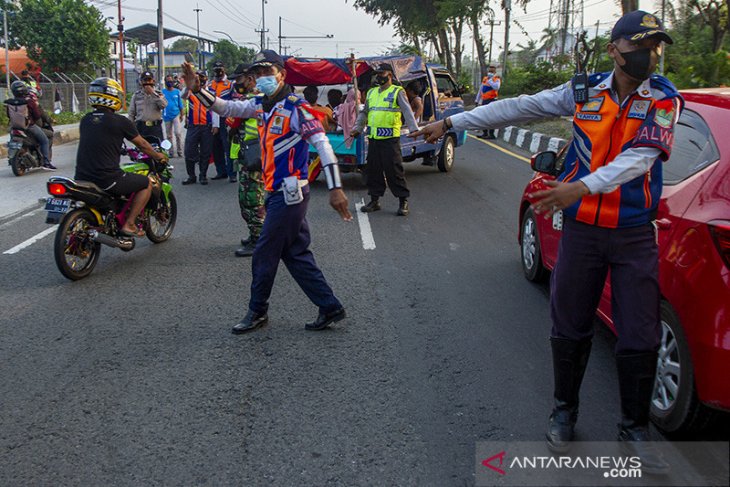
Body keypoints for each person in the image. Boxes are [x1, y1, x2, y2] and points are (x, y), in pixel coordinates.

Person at [411, 10, 681, 473]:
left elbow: (642, 157)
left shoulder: (663, 98)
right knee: (569, 323)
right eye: (641, 46)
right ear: (615, 50)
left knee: (639, 334)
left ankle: (634, 429)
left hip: (634, 234)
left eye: (656, 47)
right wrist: (456, 122)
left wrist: (583, 185)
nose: (650, 56)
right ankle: (564, 410)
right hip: (582, 233)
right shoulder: (581, 92)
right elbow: (518, 107)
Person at [181, 49, 352, 334]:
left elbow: (323, 145)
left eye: (267, 72)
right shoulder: (261, 104)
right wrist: (198, 91)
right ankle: (329, 305)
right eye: (257, 73)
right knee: (296, 253)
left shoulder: (297, 108)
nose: (261, 78)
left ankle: (257, 310)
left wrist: (336, 188)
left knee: (264, 252)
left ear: (282, 75)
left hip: (290, 193)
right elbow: (227, 109)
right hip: (276, 192)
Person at [74, 78, 168, 238]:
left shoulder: (86, 120)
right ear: (113, 97)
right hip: (107, 179)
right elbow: (143, 145)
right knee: (145, 183)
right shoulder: (120, 121)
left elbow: (101, 140)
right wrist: (159, 156)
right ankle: (129, 224)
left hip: (81, 178)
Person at [351, 63, 419, 216]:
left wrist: (414, 130)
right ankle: (374, 201)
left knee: (394, 170)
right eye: (377, 74)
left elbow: (407, 111)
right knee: (373, 170)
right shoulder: (371, 92)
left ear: (389, 75)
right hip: (374, 138)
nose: (378, 76)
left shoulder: (397, 91)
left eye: (381, 74)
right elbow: (365, 113)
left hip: (390, 139)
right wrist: (357, 128)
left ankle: (403, 201)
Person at [227, 63, 266, 258]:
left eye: (239, 79)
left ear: (250, 79)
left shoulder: (256, 100)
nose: (236, 83)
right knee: (249, 197)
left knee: (252, 199)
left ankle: (259, 239)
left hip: (255, 155)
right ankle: (256, 235)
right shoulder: (251, 99)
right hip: (249, 154)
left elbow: (233, 121)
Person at [4, 80, 56, 170]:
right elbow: (37, 115)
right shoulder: (29, 101)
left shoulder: (9, 102)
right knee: (45, 141)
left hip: (14, 128)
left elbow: (8, 115)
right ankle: (47, 162)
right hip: (29, 127)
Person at [181, 70, 217, 185]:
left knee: (205, 152)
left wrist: (216, 125)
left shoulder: (211, 92)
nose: (200, 80)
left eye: (202, 77)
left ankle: (203, 175)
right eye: (198, 77)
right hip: (193, 126)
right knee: (189, 151)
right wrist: (189, 85)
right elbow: (183, 95)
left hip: (207, 126)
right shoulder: (190, 91)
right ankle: (191, 176)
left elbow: (216, 109)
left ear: (206, 78)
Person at [208, 61, 235, 182]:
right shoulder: (210, 85)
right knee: (216, 147)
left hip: (226, 118)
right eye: (216, 70)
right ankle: (221, 171)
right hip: (213, 117)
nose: (218, 72)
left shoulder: (230, 85)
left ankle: (232, 173)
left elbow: (235, 102)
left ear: (224, 70)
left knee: (228, 148)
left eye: (220, 69)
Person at [128, 70, 167, 141]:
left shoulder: (158, 94)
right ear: (141, 82)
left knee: (157, 150)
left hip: (155, 127)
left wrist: (153, 93)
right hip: (141, 127)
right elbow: (131, 113)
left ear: (153, 81)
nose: (147, 83)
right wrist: (131, 128)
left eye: (149, 80)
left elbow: (163, 105)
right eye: (145, 80)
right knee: (141, 150)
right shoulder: (136, 95)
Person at [475, 65, 501, 139]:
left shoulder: (496, 79)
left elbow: (496, 87)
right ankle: (485, 133)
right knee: (483, 117)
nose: (490, 73)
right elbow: (481, 90)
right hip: (485, 100)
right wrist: (477, 100)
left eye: (492, 71)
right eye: (489, 71)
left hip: (492, 100)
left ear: (495, 72)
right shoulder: (485, 79)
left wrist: (490, 80)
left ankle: (491, 134)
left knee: (492, 118)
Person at [162, 74, 185, 157]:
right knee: (169, 136)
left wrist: (182, 114)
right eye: (168, 81)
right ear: (165, 82)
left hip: (176, 114)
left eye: (171, 81)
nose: (170, 83)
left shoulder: (177, 92)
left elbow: (180, 104)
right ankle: (171, 152)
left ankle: (179, 151)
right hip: (167, 116)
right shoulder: (163, 92)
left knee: (178, 133)